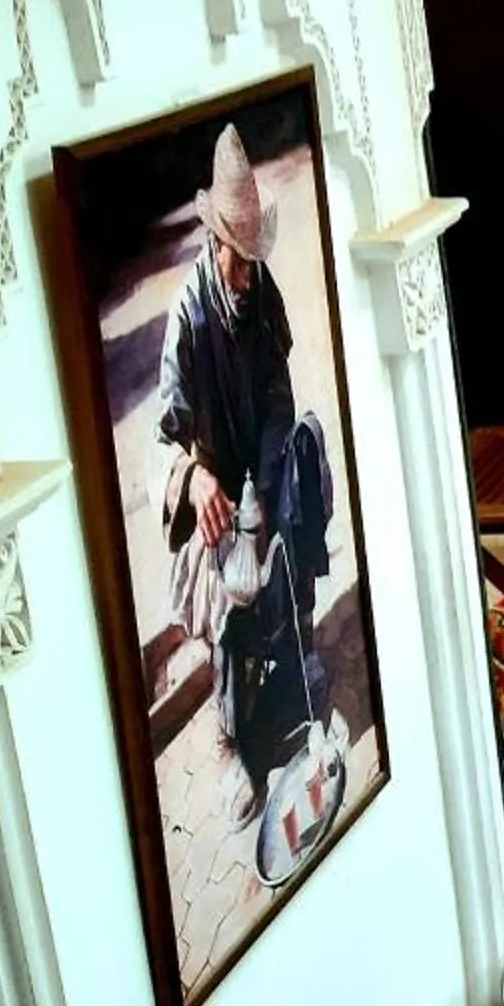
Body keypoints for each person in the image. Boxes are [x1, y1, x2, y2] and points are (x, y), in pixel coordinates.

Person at [157, 123, 335, 814]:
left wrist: (268, 486)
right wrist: (194, 479)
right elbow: (162, 436)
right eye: (238, 259)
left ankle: (298, 665)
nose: (247, 271)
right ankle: (232, 744)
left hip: (257, 478)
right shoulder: (187, 317)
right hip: (216, 500)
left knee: (299, 506)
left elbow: (277, 396)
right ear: (214, 244)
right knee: (232, 605)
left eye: (254, 258)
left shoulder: (261, 292)